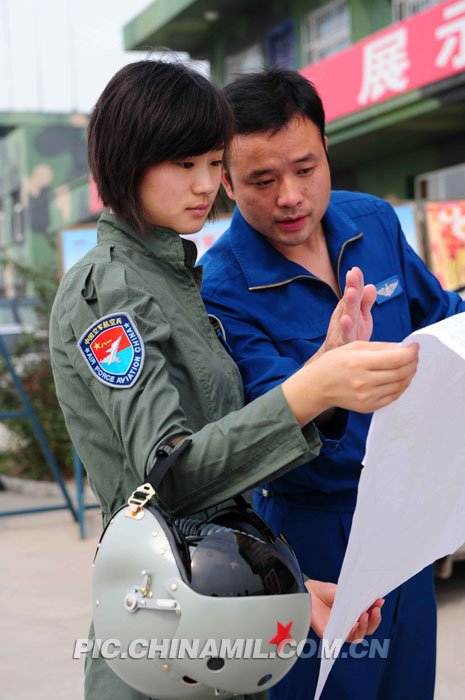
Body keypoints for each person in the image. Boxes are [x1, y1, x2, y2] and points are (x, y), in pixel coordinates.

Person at [49, 60, 419, 700]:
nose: (205, 186)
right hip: (158, 641)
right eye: (183, 164)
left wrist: (289, 591)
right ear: (126, 161)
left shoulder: (173, 278)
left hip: (219, 615)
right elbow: (169, 475)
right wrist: (314, 389)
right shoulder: (108, 290)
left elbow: (222, 487)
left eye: (213, 163)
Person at [200, 68, 465, 700]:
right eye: (262, 180)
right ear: (227, 183)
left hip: (406, 517)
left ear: (326, 152)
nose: (291, 195)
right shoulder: (221, 285)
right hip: (312, 537)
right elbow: (266, 416)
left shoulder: (372, 222)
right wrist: (325, 374)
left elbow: (441, 318)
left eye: (306, 168)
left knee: (409, 686)